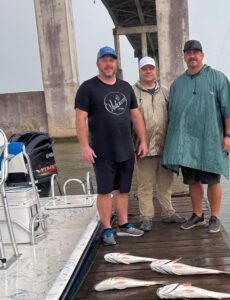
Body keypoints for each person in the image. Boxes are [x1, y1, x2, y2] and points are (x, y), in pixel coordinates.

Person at [162, 40, 230, 233]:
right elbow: (172, 115)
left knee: (213, 179)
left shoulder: (217, 78)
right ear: (184, 56)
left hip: (211, 140)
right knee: (192, 181)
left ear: (202, 55)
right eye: (188, 53)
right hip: (186, 143)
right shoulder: (177, 85)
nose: (192, 56)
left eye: (196, 52)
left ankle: (214, 216)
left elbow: (229, 110)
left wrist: (229, 135)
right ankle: (197, 214)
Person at [75, 46, 148, 245]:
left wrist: (142, 141)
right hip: (101, 151)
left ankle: (123, 225)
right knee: (105, 191)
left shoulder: (125, 87)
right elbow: (80, 118)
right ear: (98, 63)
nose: (108, 64)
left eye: (112, 60)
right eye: (104, 60)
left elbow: (135, 115)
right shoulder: (88, 88)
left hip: (126, 149)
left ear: (116, 63)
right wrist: (84, 146)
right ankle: (107, 228)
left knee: (123, 190)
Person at [132, 56, 185, 232]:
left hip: (165, 147)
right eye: (144, 69)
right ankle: (146, 216)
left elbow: (175, 118)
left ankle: (168, 212)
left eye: (151, 68)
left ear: (156, 70)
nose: (148, 71)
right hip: (143, 148)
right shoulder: (132, 92)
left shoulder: (166, 92)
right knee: (145, 185)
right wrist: (132, 147)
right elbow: (127, 122)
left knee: (166, 183)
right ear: (139, 71)